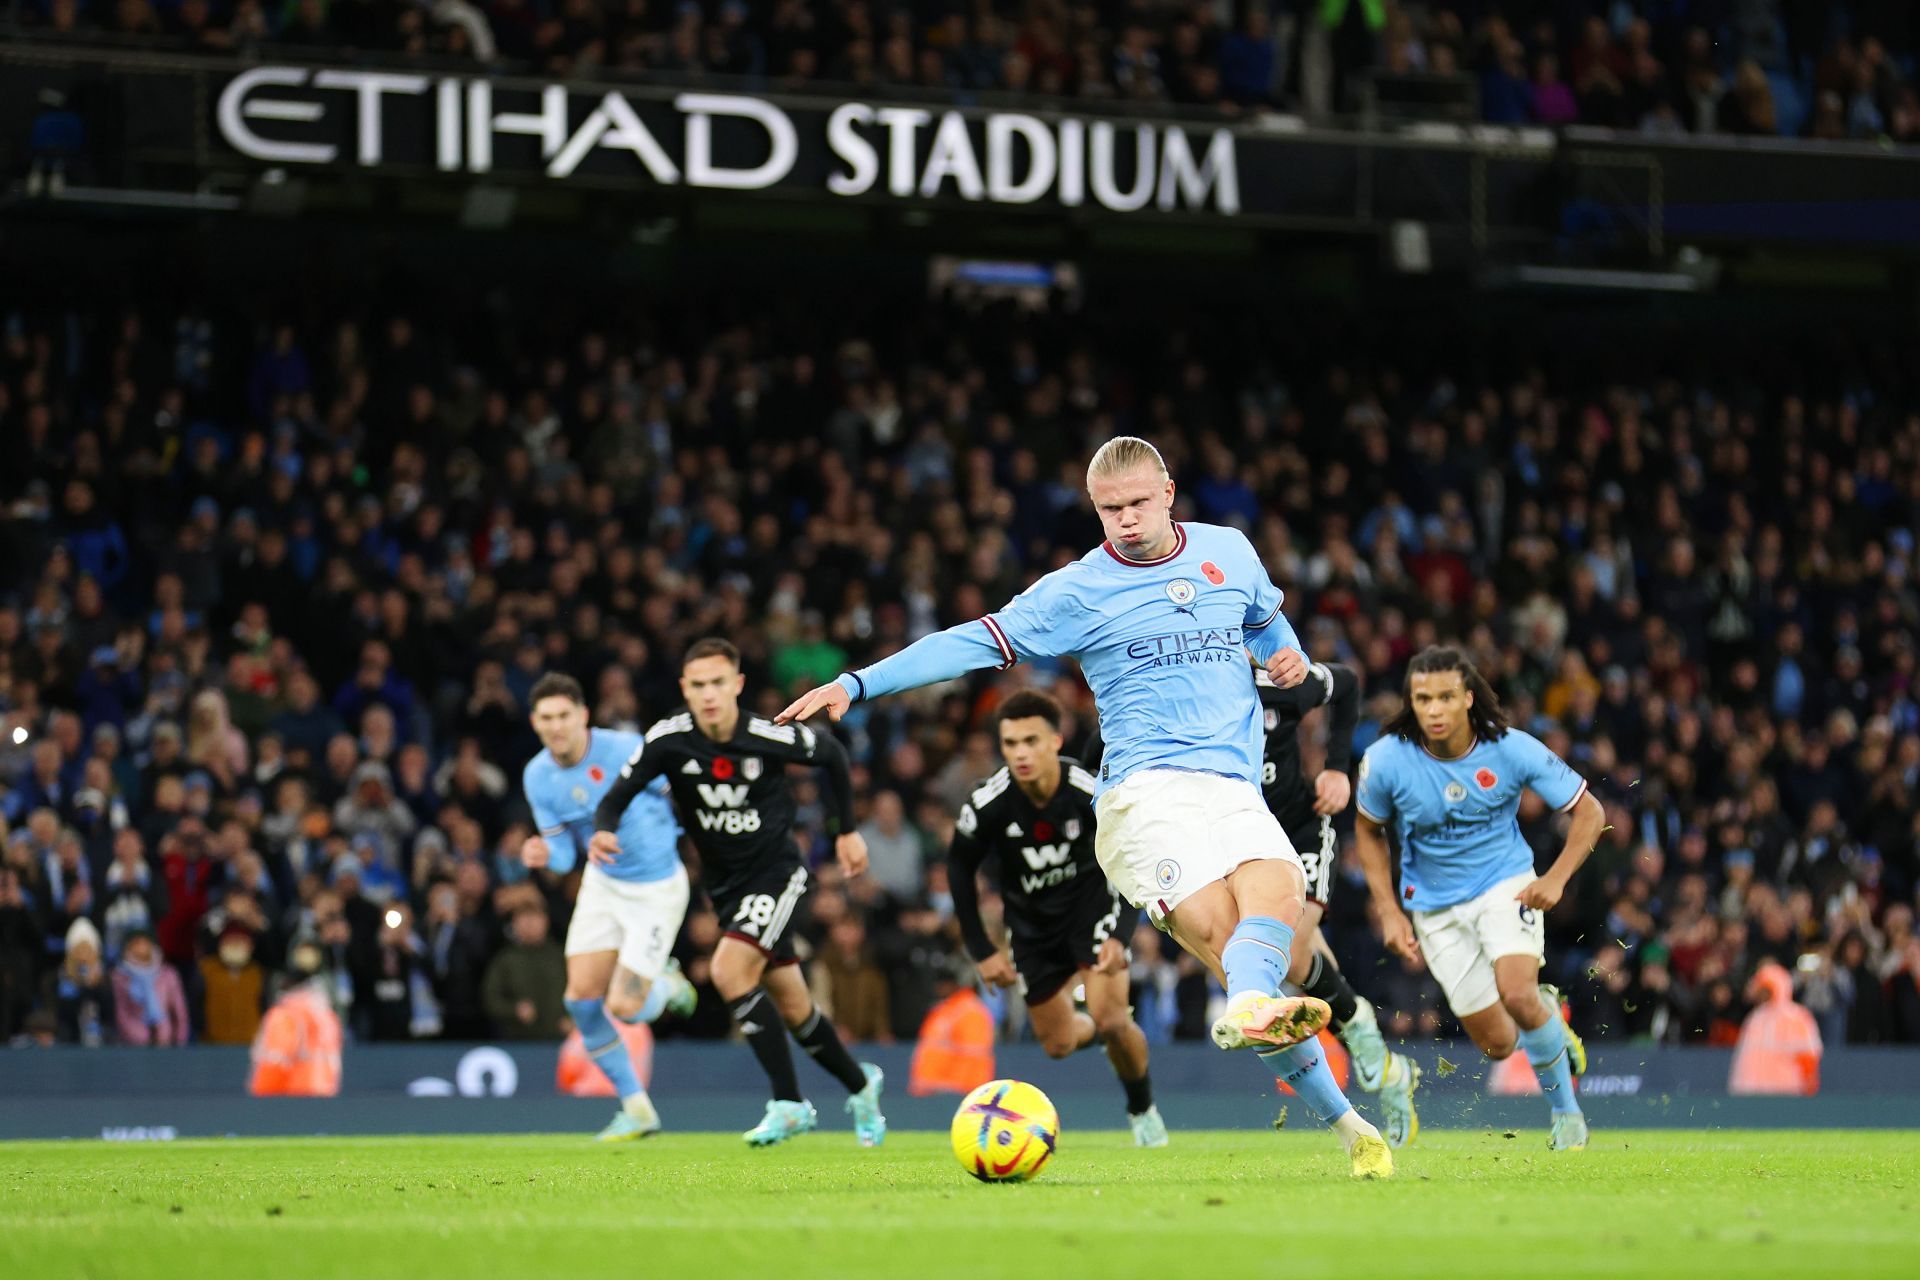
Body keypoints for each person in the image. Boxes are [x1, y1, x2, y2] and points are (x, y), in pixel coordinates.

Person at [778, 437, 1391, 1179]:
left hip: (1231, 787)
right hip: (1144, 796)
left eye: (1137, 503)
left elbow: (1264, 625)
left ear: (1168, 492)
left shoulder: (1229, 552)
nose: (1126, 521)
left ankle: (1351, 1125)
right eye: (1109, 510)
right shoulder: (1077, 589)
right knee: (1228, 939)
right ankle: (1271, 1023)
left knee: (1278, 902)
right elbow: (970, 641)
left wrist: (1284, 655)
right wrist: (858, 684)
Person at [592, 637, 886, 1148]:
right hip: (726, 889)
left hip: (776, 876)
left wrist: (845, 830)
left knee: (729, 970)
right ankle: (862, 1086)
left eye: (718, 684)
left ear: (737, 685)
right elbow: (618, 792)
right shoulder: (669, 739)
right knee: (795, 1007)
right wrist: (604, 827)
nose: (708, 695)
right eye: (698, 685)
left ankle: (790, 1104)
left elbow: (834, 755)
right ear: (686, 688)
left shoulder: (766, 734)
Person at [1353, 646, 1606, 1152]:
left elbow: (1591, 813)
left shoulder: (1511, 748)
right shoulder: (1385, 760)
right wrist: (1388, 909)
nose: (1434, 710)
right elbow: (1367, 829)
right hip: (1434, 908)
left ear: (1468, 698)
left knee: (1516, 993)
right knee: (1498, 1043)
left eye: (1446, 697)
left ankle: (1567, 1116)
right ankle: (1547, 1014)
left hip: (1504, 884)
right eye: (1423, 699)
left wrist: (1555, 878)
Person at [948, 689, 1166, 1146]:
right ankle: (1108, 1034)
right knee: (1058, 1044)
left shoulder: (1088, 790)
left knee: (1109, 1017)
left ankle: (1141, 1108)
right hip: (1031, 928)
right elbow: (958, 869)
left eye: (1031, 741)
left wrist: (1121, 937)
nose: (1020, 754)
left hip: (1093, 909)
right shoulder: (989, 802)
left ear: (1055, 741)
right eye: (1010, 744)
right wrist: (982, 950)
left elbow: (1131, 854)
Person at [519, 672, 695, 1142]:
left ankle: (669, 983)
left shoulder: (626, 749)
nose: (556, 726)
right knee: (580, 1001)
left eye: (563, 716)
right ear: (534, 722)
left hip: (657, 887)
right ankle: (637, 1108)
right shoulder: (538, 776)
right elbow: (562, 854)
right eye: (546, 718)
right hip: (603, 884)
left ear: (583, 716)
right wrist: (542, 854)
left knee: (626, 1006)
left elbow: (681, 792)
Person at [1252, 659, 1421, 1145]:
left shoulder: (1276, 682)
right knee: (1299, 962)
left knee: (1285, 952)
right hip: (1241, 847)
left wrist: (1336, 769)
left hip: (1299, 829)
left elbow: (1347, 682)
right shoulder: (1187, 696)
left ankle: (1365, 1046)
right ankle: (1384, 1066)